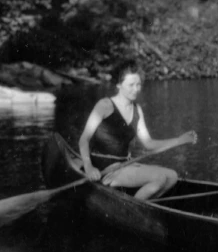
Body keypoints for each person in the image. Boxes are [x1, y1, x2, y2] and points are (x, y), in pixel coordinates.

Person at [78, 59, 197, 200]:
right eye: (131, 85)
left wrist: (179, 140)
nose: (136, 89)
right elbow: (83, 140)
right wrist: (89, 167)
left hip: (125, 165)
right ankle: (132, 210)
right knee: (158, 178)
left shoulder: (137, 110)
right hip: (105, 169)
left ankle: (141, 204)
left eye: (138, 84)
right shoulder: (104, 105)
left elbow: (149, 144)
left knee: (172, 177)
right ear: (118, 85)